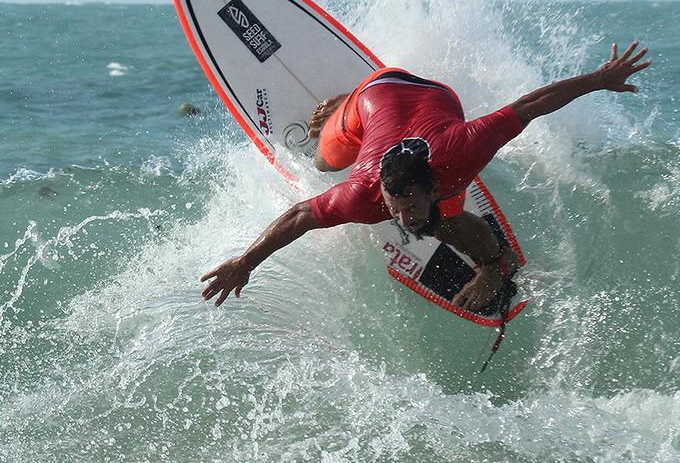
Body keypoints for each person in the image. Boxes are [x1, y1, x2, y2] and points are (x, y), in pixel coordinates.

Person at [200, 41, 652, 311]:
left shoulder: (464, 149)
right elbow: (301, 214)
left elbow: (531, 105)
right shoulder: (361, 195)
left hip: (437, 96)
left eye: (413, 205)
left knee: (443, 220)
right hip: (377, 93)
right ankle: (343, 104)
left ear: (432, 186)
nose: (405, 215)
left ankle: (493, 265)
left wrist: (598, 78)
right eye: (398, 208)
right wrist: (246, 261)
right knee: (324, 159)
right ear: (384, 195)